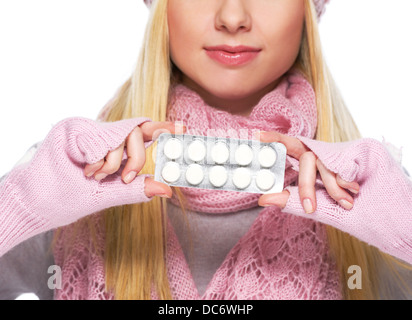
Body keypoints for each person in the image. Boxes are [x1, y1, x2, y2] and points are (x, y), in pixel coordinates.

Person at [0, 0, 411, 300]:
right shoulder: (64, 179)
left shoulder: (375, 196)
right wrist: (17, 205)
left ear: (307, 9)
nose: (232, 18)